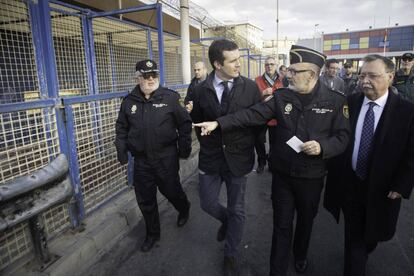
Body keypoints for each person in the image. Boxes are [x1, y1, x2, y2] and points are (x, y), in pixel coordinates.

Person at [195, 45, 350, 276]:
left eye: (295, 71)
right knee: (282, 225)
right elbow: (252, 114)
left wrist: (322, 147)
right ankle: (276, 270)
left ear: (312, 74)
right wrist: (219, 123)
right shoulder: (281, 97)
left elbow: (343, 137)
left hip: (312, 176)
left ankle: (300, 254)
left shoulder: (336, 101)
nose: (288, 74)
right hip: (283, 175)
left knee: (306, 221)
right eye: (289, 69)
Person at [324, 54, 414, 276]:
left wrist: (402, 184)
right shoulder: (350, 103)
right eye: (363, 75)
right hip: (351, 182)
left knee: (372, 236)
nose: (365, 80)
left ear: (390, 77)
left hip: (383, 188)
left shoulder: (407, 111)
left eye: (373, 76)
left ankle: (365, 248)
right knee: (354, 240)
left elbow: (412, 152)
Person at [190, 39, 262, 275]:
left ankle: (230, 253)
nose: (239, 64)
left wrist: (252, 149)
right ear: (217, 64)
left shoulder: (250, 88)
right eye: (233, 61)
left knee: (238, 209)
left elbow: (256, 121)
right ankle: (226, 221)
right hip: (211, 158)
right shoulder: (200, 90)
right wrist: (209, 144)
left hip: (238, 160)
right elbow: (198, 123)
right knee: (207, 203)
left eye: (239, 59)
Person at [115, 59, 192, 253]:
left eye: (154, 75)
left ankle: (183, 208)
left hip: (166, 158)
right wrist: (121, 151)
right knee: (146, 200)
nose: (151, 79)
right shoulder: (129, 102)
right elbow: (121, 128)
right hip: (141, 161)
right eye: (146, 76)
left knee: (171, 191)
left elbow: (184, 124)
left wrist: (184, 149)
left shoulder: (170, 98)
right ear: (137, 78)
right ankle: (152, 234)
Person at [254, 57, 284, 173]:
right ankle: (261, 162)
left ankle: (271, 162)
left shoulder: (282, 80)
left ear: (276, 65)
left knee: (274, 142)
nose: (269, 66)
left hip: (276, 116)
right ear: (264, 66)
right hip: (261, 115)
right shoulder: (257, 80)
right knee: (259, 140)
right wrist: (263, 93)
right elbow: (252, 99)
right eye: (267, 64)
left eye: (272, 64)